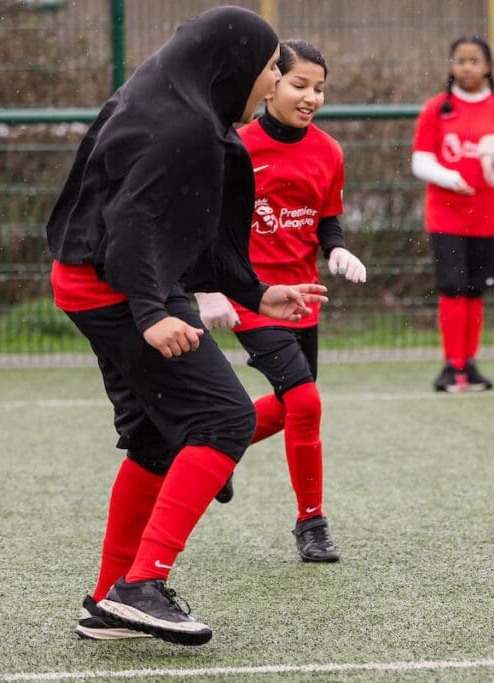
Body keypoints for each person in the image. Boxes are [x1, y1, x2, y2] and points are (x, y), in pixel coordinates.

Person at [48, 7, 326, 645]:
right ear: (232, 66)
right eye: (268, 68)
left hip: (97, 281)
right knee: (225, 419)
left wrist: (256, 292)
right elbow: (133, 223)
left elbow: (192, 231)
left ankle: (109, 602)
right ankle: (143, 586)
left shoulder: (174, 100)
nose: (272, 80)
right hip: (115, 288)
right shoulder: (183, 125)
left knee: (154, 441)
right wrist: (151, 313)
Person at [196, 40, 365, 564]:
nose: (310, 96)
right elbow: (205, 224)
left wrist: (336, 249)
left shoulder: (330, 151)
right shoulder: (235, 147)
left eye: (319, 88)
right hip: (251, 296)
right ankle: (311, 523)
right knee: (307, 403)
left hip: (301, 296)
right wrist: (210, 287)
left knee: (293, 405)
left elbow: (326, 218)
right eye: (298, 84)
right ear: (271, 84)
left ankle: (211, 451)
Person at [411, 35, 494, 392]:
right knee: (452, 288)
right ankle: (451, 365)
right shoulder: (436, 109)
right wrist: (451, 177)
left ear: (488, 67)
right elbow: (420, 160)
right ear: (451, 65)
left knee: (475, 291)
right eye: (460, 60)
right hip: (446, 217)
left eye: (475, 61)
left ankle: (470, 364)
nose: (467, 67)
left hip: (488, 218)